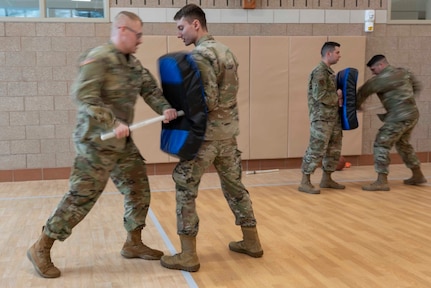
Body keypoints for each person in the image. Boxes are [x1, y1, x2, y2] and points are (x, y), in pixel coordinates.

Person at [26, 11, 178, 278]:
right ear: (122, 30)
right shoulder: (100, 58)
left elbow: (150, 90)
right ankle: (42, 246)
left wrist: (165, 109)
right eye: (138, 34)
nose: (141, 40)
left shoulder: (133, 64)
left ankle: (133, 242)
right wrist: (111, 121)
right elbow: (82, 94)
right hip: (96, 141)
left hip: (122, 143)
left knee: (138, 188)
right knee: (81, 198)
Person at [160, 4, 263, 272]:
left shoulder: (201, 57)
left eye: (181, 28)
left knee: (184, 187)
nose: (179, 34)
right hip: (228, 135)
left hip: (205, 138)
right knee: (234, 188)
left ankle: (187, 254)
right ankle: (251, 241)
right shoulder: (226, 51)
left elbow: (208, 101)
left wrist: (177, 111)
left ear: (196, 24)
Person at [356, 54, 426, 191]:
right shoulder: (404, 72)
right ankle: (417, 175)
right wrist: (404, 100)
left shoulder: (377, 80)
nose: (373, 72)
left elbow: (361, 93)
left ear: (381, 65)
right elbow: (416, 87)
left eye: (373, 69)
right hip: (412, 115)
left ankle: (381, 181)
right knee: (403, 144)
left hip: (398, 118)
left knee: (381, 143)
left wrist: (357, 106)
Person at [298, 41, 345, 195]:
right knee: (316, 148)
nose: (339, 55)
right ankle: (305, 181)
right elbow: (319, 95)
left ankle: (327, 178)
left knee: (333, 148)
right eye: (337, 52)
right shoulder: (319, 72)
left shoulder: (329, 72)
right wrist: (337, 96)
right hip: (321, 118)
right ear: (329, 53)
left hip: (332, 117)